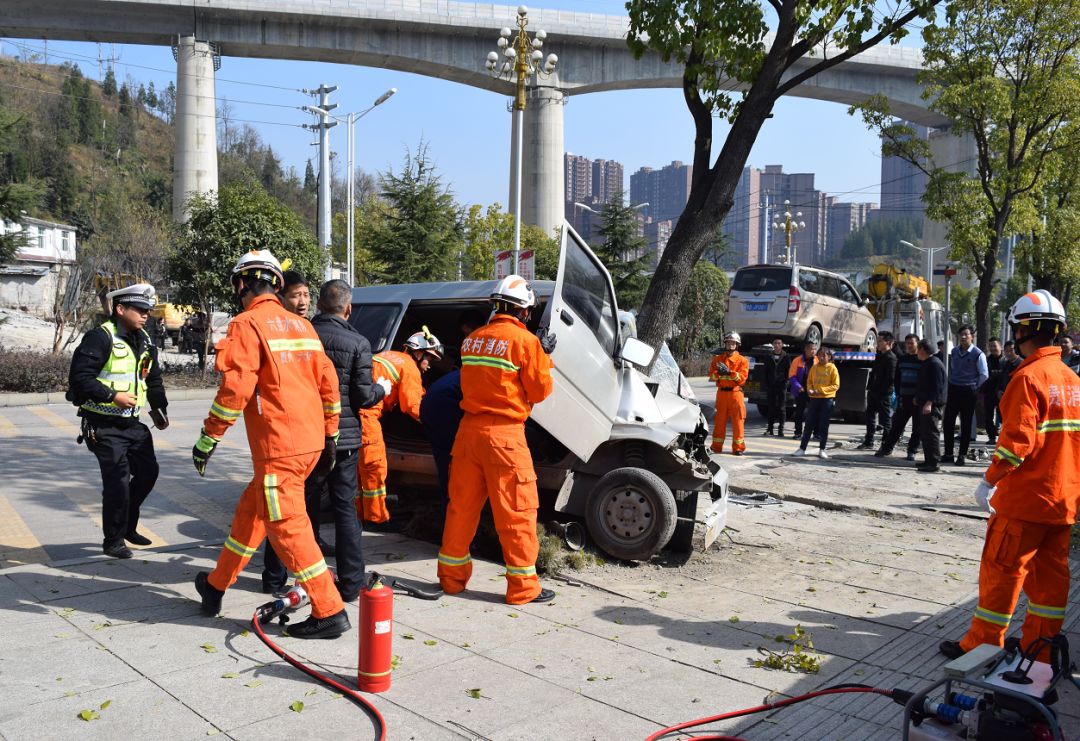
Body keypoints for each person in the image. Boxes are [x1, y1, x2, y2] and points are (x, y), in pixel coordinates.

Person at [192, 249, 347, 639]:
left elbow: (235, 389)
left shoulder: (246, 324)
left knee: (287, 526)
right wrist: (330, 433)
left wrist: (208, 437)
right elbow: (328, 385)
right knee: (252, 513)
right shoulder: (302, 326)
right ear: (277, 285)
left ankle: (329, 610)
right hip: (308, 443)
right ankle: (215, 586)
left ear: (243, 283)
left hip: (281, 447)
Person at [940, 290, 1080, 662]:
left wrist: (990, 480)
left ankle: (981, 646)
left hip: (1024, 503)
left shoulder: (1028, 378)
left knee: (1002, 575)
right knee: (1051, 583)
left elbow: (1016, 443)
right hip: (1063, 503)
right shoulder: (1072, 380)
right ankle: (1041, 648)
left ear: (1024, 330)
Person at [437, 274, 556, 605]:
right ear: (524, 312)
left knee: (461, 509)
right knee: (516, 511)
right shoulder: (525, 342)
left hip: (468, 433)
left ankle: (450, 579)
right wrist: (545, 357)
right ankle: (522, 588)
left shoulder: (473, 339)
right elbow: (540, 391)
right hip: (505, 437)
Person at [68, 283, 169, 559]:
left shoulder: (145, 340)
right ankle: (113, 540)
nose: (146, 315)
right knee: (118, 481)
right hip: (103, 425)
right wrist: (113, 396)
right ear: (120, 309)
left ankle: (127, 526)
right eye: (140, 310)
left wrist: (160, 409)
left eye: (148, 310)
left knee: (148, 473)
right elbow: (80, 378)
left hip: (133, 424)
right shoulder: (99, 338)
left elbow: (153, 378)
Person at [260, 270, 338, 593]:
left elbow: (325, 384)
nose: (303, 301)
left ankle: (293, 573)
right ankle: (276, 577)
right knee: (281, 514)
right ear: (281, 298)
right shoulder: (267, 330)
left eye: (306, 295)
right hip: (281, 441)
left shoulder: (308, 330)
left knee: (300, 509)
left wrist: (329, 433)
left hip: (307, 439)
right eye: (296, 295)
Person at [358, 327, 443, 523]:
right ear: (418, 352)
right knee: (375, 468)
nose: (429, 365)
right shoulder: (409, 367)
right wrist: (436, 422)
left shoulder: (389, 355)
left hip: (353, 415)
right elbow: (412, 406)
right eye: (429, 359)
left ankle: (359, 515)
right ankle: (375, 518)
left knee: (358, 470)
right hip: (367, 416)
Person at [419, 310, 489, 509]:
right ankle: (455, 509)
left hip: (436, 415)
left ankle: (450, 510)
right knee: (458, 473)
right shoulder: (479, 370)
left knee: (450, 474)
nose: (469, 339)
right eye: (466, 334)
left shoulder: (471, 367)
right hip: (441, 417)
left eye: (470, 333)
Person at [942, 325, 989, 466]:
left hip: (969, 391)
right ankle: (948, 453)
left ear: (971, 337)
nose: (963, 337)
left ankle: (962, 455)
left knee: (966, 424)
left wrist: (974, 386)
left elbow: (984, 374)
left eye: (966, 335)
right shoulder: (955, 351)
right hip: (954, 389)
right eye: (961, 334)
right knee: (948, 422)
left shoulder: (978, 354)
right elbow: (952, 369)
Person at [876, 334, 922, 461]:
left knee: (917, 428)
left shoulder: (922, 360)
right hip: (904, 397)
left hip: (917, 399)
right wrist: (899, 394)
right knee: (897, 425)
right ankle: (887, 448)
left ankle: (912, 451)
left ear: (917, 344)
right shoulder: (902, 359)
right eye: (907, 343)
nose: (909, 345)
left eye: (911, 343)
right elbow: (896, 378)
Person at [792, 347, 839, 459]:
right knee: (809, 424)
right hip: (814, 399)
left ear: (829, 357)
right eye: (820, 355)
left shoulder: (832, 368)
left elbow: (836, 385)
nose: (821, 357)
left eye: (824, 355)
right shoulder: (814, 368)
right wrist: (809, 389)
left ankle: (822, 449)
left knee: (823, 425)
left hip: (827, 399)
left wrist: (821, 390)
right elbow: (809, 381)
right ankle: (802, 448)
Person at [709, 331, 749, 455]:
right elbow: (711, 376)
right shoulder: (717, 359)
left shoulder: (742, 360)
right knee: (719, 422)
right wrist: (718, 374)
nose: (731, 345)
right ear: (725, 344)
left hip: (735, 394)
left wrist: (729, 373)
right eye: (729, 343)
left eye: (733, 343)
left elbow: (742, 378)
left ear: (737, 345)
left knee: (738, 422)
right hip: (721, 394)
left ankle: (738, 448)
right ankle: (716, 447)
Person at [859, 332, 897, 450]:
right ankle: (868, 441)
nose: (878, 344)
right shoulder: (879, 356)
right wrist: (871, 388)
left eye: (880, 341)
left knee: (885, 420)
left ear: (889, 343)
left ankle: (886, 444)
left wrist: (881, 390)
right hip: (873, 391)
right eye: (878, 341)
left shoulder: (891, 358)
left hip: (884, 393)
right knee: (870, 417)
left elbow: (890, 378)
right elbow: (874, 373)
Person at [914, 338, 947, 473]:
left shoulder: (934, 364)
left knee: (931, 433)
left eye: (918, 349)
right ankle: (928, 460)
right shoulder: (928, 363)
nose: (917, 352)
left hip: (932, 405)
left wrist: (929, 403)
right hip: (925, 403)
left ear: (922, 349)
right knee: (925, 433)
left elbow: (937, 387)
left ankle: (933, 462)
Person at [787, 341, 817, 438]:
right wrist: (798, 387)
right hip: (801, 390)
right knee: (799, 412)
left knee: (814, 412)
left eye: (814, 349)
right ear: (806, 349)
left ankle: (816, 433)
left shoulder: (817, 360)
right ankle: (798, 432)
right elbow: (792, 376)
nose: (813, 351)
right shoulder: (797, 360)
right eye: (811, 349)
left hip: (813, 391)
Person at [762, 338, 791, 437]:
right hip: (771, 386)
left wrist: (786, 383)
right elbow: (765, 371)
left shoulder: (786, 357)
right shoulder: (768, 356)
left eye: (779, 343)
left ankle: (781, 429)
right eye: (775, 343)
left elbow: (789, 371)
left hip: (782, 386)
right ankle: (770, 429)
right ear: (772, 344)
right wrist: (766, 384)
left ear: (782, 345)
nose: (777, 345)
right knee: (771, 407)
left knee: (782, 408)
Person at [982, 338, 1004, 445]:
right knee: (988, 416)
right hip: (989, 393)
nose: (993, 348)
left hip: (1002, 394)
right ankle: (991, 437)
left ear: (1000, 346)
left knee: (1004, 417)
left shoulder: (1006, 361)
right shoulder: (986, 360)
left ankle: (1004, 437)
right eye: (990, 346)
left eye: (995, 346)